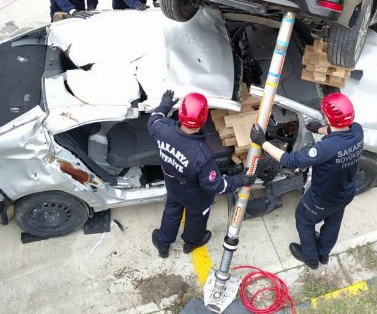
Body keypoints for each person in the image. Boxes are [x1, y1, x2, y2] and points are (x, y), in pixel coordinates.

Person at [250, 92, 364, 269]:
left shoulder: (325, 148)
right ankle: (323, 254)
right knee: (333, 222)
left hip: (322, 199)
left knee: (304, 220)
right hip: (346, 192)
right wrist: (318, 129)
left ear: (327, 117)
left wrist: (262, 141)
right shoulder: (357, 130)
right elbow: (338, 132)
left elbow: (290, 161)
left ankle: (311, 258)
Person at [147, 90, 256, 258]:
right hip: (196, 196)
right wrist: (240, 180)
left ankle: (163, 244)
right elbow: (216, 186)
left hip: (173, 185)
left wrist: (165, 104)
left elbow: (154, 118)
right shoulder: (203, 155)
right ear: (204, 119)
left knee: (172, 210)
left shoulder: (161, 128)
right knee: (197, 217)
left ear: (181, 113)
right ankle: (192, 242)